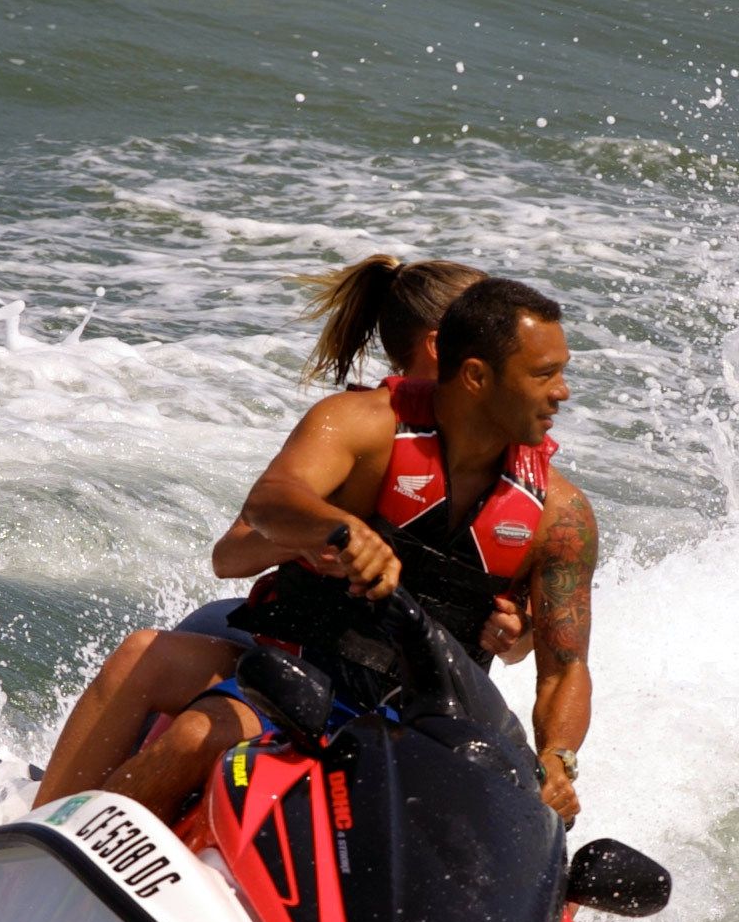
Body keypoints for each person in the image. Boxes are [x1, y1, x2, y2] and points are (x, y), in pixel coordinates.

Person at [43, 277, 595, 827]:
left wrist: (558, 758)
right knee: (192, 733)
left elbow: (564, 672)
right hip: (295, 681)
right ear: (476, 375)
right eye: (544, 374)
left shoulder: (559, 514)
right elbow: (269, 500)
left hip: (426, 729)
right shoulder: (363, 427)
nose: (563, 392)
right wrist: (340, 530)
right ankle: (56, 835)